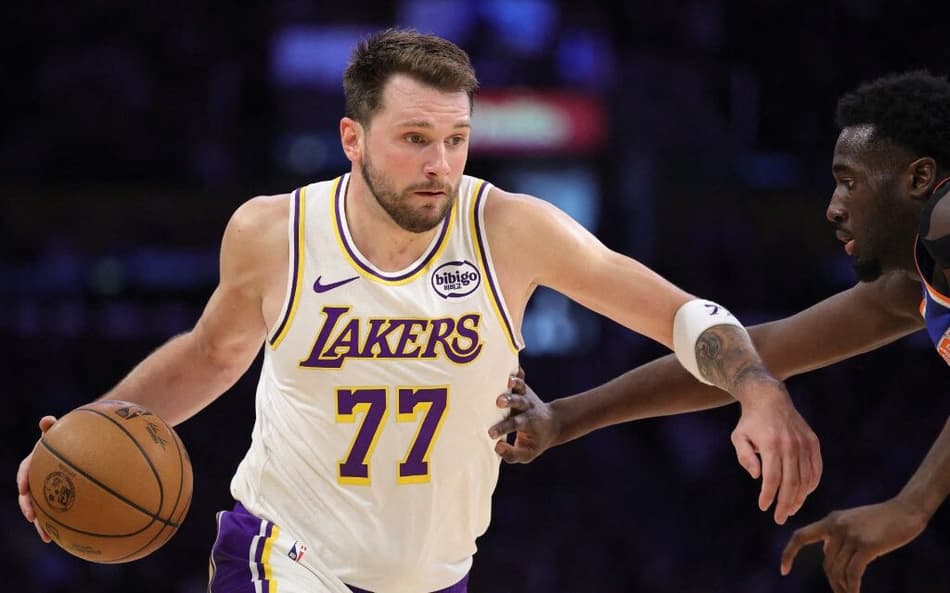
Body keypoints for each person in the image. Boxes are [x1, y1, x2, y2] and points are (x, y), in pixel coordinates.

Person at [16, 28, 819, 593]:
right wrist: (90, 426)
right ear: (352, 139)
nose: (440, 165)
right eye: (413, 139)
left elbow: (681, 313)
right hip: (282, 555)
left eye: (457, 139)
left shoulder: (509, 229)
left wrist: (756, 385)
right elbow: (211, 353)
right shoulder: (276, 231)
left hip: (435, 576)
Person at [490, 70, 950, 593]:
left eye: (851, 181)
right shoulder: (906, 287)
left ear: (918, 179)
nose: (833, 206)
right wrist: (563, 418)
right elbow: (756, 354)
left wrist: (910, 506)